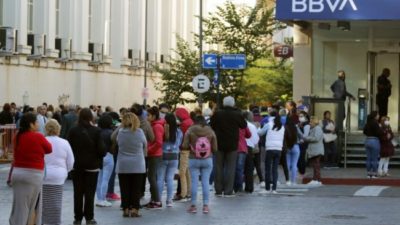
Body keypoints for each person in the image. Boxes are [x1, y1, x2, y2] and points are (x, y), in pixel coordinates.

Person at [9, 112, 52, 225]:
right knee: (32, 206)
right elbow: (49, 149)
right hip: (34, 174)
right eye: (36, 122)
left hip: (18, 173)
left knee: (19, 206)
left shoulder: (17, 136)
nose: (38, 124)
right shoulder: (38, 136)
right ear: (31, 124)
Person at [68, 108, 106, 225]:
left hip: (77, 166)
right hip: (92, 166)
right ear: (91, 117)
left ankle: (77, 218)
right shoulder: (96, 131)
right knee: (90, 193)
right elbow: (101, 150)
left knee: (78, 193)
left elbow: (69, 148)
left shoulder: (73, 131)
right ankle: (89, 218)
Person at [210, 96, 247, 197]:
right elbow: (244, 125)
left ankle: (218, 189)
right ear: (233, 104)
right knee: (231, 168)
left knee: (218, 167)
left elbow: (211, 125)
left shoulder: (217, 114)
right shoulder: (237, 114)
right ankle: (228, 191)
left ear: (223, 103)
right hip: (232, 144)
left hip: (219, 143)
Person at [42, 119, 74, 225]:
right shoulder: (64, 142)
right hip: (58, 176)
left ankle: (43, 221)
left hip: (43, 175)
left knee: (43, 202)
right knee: (56, 202)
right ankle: (55, 222)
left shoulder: (42, 141)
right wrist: (65, 171)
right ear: (58, 129)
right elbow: (71, 161)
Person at [183, 115, 217, 214]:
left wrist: (191, 147)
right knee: (205, 182)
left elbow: (184, 145)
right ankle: (205, 206)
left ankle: (193, 206)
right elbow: (215, 148)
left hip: (193, 159)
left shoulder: (190, 130)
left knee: (194, 182)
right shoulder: (210, 130)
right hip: (207, 159)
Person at [116, 112, 147, 217]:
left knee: (124, 187)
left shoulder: (120, 132)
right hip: (138, 164)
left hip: (123, 164)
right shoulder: (140, 132)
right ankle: (134, 209)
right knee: (136, 188)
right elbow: (144, 144)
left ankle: (125, 208)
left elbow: (117, 143)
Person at [157, 113, 182, 207]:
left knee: (160, 178)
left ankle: (158, 200)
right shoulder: (178, 132)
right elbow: (179, 143)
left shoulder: (162, 130)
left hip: (162, 155)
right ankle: (169, 200)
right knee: (170, 179)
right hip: (174, 156)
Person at [260, 111, 285, 194]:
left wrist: (259, 128)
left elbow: (260, 133)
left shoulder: (268, 124)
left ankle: (267, 188)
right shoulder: (282, 126)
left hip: (270, 148)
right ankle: (274, 189)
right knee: (275, 169)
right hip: (278, 149)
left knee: (268, 169)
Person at [144, 106, 164, 209]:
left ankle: (157, 201)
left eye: (148, 115)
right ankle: (153, 200)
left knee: (151, 177)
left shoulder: (157, 126)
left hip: (155, 155)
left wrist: (148, 150)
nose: (147, 117)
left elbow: (159, 142)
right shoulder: (154, 125)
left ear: (154, 116)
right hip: (153, 154)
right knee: (152, 177)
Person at [174, 107, 193, 201]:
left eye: (177, 116)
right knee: (187, 172)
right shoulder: (190, 121)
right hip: (190, 150)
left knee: (182, 173)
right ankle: (189, 193)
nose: (177, 118)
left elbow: (181, 138)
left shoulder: (184, 124)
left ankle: (183, 194)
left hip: (184, 150)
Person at [95, 115, 115, 207]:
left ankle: (99, 199)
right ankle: (103, 199)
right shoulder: (111, 133)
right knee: (105, 179)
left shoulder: (97, 132)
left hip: (99, 156)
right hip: (109, 155)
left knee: (99, 179)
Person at [303, 116, 324, 185]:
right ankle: (315, 179)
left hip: (317, 150)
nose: (310, 123)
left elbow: (316, 138)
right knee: (315, 166)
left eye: (311, 122)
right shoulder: (314, 128)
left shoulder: (317, 128)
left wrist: (307, 138)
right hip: (314, 150)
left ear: (315, 122)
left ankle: (317, 180)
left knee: (316, 166)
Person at [234, 115, 251, 193]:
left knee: (233, 168)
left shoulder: (232, 124)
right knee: (240, 169)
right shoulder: (243, 125)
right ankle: (239, 187)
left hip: (233, 148)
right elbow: (249, 135)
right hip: (243, 148)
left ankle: (234, 186)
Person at [363, 111, 383, 179]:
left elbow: (364, 131)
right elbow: (379, 132)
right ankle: (374, 174)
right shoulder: (376, 123)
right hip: (374, 140)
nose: (379, 116)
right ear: (375, 116)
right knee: (374, 158)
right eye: (378, 115)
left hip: (367, 140)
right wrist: (380, 128)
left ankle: (368, 174)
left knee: (368, 158)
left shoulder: (368, 123)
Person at [243, 111, 260, 193]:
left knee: (239, 168)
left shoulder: (240, 125)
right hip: (249, 147)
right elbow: (256, 139)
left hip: (240, 148)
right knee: (249, 168)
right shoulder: (252, 126)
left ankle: (238, 186)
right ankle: (249, 187)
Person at [284, 118, 300, 186]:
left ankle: (287, 180)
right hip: (295, 146)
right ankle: (293, 181)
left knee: (287, 164)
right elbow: (301, 135)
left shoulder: (285, 128)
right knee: (294, 164)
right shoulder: (295, 128)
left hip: (287, 147)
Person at [297, 111, 311, 178]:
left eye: (302, 116)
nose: (300, 117)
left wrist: (297, 129)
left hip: (303, 143)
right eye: (299, 116)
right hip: (299, 142)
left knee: (301, 157)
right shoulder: (300, 124)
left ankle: (302, 172)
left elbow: (305, 136)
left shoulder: (307, 125)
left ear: (305, 117)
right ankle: (300, 172)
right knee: (299, 157)